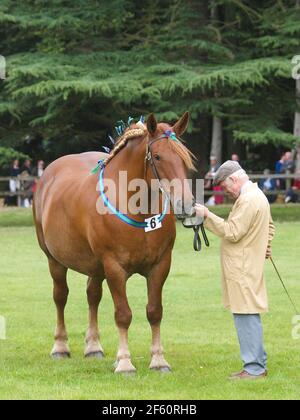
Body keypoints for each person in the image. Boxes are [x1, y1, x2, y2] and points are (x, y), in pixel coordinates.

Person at [194, 160, 275, 380]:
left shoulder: (247, 200)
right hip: (248, 265)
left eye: (225, 186)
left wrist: (207, 215)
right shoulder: (258, 196)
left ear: (234, 179)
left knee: (245, 316)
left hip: (242, 268)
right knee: (249, 314)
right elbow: (270, 227)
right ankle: (257, 365)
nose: (226, 191)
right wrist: (265, 246)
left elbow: (232, 231)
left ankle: (254, 369)